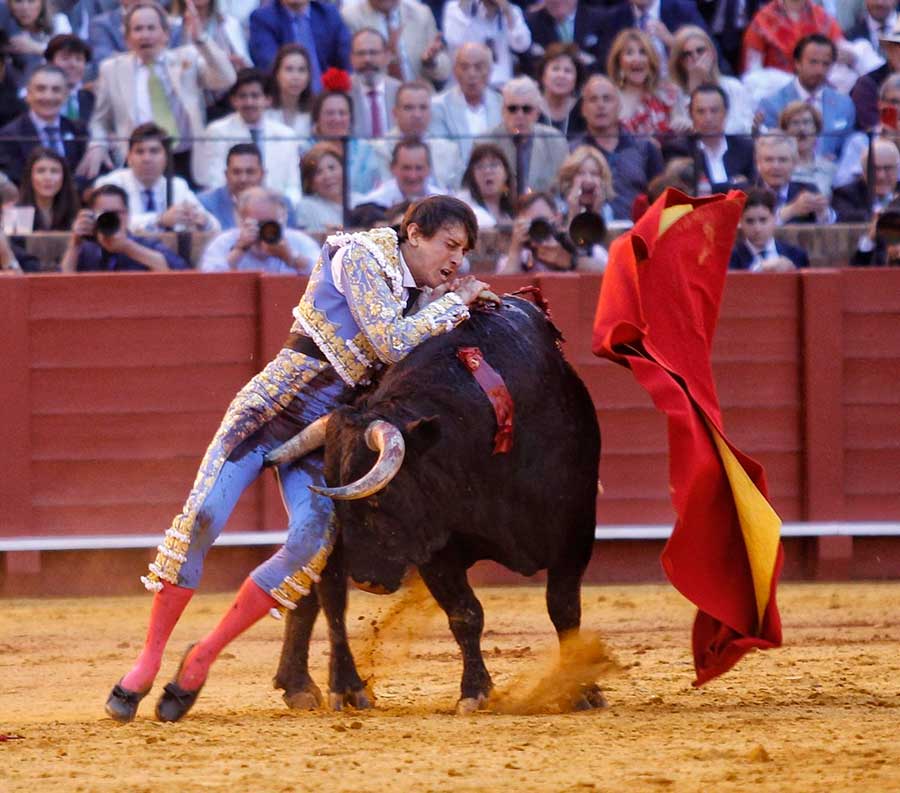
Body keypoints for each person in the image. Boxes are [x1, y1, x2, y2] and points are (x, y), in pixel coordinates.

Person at [104, 194, 489, 724]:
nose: (457, 261)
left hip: (321, 436)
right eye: (450, 245)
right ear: (415, 233)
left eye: (464, 252)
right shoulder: (359, 255)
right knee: (202, 519)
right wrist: (454, 304)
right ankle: (147, 661)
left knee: (309, 544)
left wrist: (448, 304)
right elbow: (388, 342)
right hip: (265, 413)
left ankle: (203, 656)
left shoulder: (419, 294)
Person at [83, 1, 237, 182]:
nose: (145, 35)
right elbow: (100, 120)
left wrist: (201, 39)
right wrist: (97, 144)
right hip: (139, 160)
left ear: (166, 34)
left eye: (151, 28)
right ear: (127, 38)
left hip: (185, 158)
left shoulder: (187, 58)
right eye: (138, 29)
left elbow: (227, 78)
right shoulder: (112, 69)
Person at [193, 68, 301, 204]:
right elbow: (214, 181)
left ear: (267, 100)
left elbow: (293, 186)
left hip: (276, 207)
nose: (249, 102)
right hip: (230, 207)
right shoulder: (217, 132)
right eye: (243, 96)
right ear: (233, 100)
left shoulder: (286, 134)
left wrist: (282, 209)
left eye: (255, 96)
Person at [94, 122, 220, 234]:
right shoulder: (110, 184)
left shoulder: (178, 186)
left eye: (154, 151)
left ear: (167, 157)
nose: (147, 158)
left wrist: (203, 221)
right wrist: (159, 220)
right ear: (129, 157)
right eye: (140, 152)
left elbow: (215, 227)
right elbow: (105, 222)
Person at [570, 73, 663, 222]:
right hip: (589, 229)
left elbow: (660, 199)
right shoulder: (572, 150)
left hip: (637, 230)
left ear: (619, 106)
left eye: (607, 99)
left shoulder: (646, 147)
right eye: (593, 99)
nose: (600, 105)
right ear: (583, 109)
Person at [758, 34, 856, 161]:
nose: (819, 70)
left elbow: (848, 151)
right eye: (813, 62)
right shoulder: (772, 105)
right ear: (797, 63)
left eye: (826, 64)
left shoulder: (844, 105)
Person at [60, 183, 188, 272]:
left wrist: (127, 247)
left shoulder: (148, 245)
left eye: (116, 213)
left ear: (127, 214)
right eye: (104, 213)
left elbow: (177, 274)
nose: (111, 218)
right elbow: (63, 283)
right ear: (93, 216)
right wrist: (75, 244)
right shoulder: (85, 249)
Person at [0, 65, 88, 187]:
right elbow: (15, 180)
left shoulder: (78, 130)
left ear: (66, 95)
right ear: (28, 94)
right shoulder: (9, 136)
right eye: (41, 89)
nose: (48, 96)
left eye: (56, 90)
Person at [199, 186, 319, 273]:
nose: (264, 231)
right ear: (241, 221)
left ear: (283, 218)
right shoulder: (225, 242)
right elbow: (208, 279)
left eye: (270, 224)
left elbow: (324, 277)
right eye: (257, 224)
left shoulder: (299, 241)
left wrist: (292, 258)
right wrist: (238, 250)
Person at [370, 81, 464, 191]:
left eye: (423, 108)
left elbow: (458, 192)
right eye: (409, 108)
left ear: (430, 112)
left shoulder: (450, 150)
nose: (417, 115)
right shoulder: (378, 149)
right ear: (395, 113)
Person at [664, 83, 756, 194]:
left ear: (726, 112)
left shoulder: (744, 148)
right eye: (701, 111)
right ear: (691, 115)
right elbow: (691, 191)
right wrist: (733, 184)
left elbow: (753, 188)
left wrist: (710, 188)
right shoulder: (679, 149)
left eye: (714, 111)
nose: (708, 118)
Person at [485, 75, 568, 195]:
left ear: (537, 112)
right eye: (512, 109)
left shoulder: (555, 141)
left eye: (527, 109)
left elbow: (565, 186)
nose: (520, 115)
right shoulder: (485, 142)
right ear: (503, 111)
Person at [668, 25, 754, 136]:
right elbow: (686, 129)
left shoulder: (733, 86)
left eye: (700, 51)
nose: (695, 57)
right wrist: (693, 88)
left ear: (712, 53)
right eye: (687, 54)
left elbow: (745, 125)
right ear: (680, 62)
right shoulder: (674, 94)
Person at [341, 0, 450, 87]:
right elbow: (354, 68)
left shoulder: (421, 13)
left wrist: (431, 62)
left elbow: (445, 70)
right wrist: (390, 56)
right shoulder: (350, 17)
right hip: (376, 96)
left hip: (420, 95)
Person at [605, 28, 687, 141]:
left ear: (651, 60)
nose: (637, 59)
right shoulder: (608, 97)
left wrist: (682, 123)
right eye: (629, 53)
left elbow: (684, 126)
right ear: (619, 62)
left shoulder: (670, 93)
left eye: (643, 52)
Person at [429, 42, 503, 167]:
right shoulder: (437, 107)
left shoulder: (502, 104)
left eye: (478, 67)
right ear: (454, 71)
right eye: (464, 67)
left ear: (490, 71)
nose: (471, 74)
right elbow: (441, 155)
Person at [496, 190, 597, 273]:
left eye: (543, 221)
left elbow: (601, 270)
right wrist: (515, 249)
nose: (538, 228)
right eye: (532, 224)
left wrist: (570, 261)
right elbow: (504, 286)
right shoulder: (521, 256)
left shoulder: (571, 245)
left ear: (558, 219)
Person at [249, 0, 351, 80]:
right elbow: (269, 63)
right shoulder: (263, 18)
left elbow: (347, 57)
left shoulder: (328, 14)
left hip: (328, 93)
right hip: (286, 93)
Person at [442, 0, 531, 89]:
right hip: (466, 85)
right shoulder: (455, 9)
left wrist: (508, 13)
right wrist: (467, 10)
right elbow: (454, 40)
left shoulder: (512, 11)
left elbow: (522, 45)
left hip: (501, 85)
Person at [742, 0, 845, 74]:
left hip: (818, 86)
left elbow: (842, 50)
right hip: (776, 88)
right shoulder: (762, 20)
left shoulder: (823, 18)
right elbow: (752, 71)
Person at [310, 89, 380, 196]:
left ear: (350, 118)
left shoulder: (365, 149)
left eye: (342, 113)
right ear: (317, 118)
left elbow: (372, 190)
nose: (337, 119)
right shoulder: (305, 150)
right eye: (330, 113)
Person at [755, 132, 833, 223]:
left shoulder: (808, 189)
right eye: (769, 160)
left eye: (783, 160)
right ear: (758, 163)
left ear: (795, 163)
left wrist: (823, 213)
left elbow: (832, 224)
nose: (776, 166)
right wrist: (792, 210)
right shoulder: (744, 192)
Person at [729, 187, 809, 272]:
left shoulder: (796, 255)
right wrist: (759, 269)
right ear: (740, 221)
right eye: (750, 221)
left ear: (774, 219)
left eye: (763, 220)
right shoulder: (730, 259)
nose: (757, 229)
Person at [524, 0, 607, 74]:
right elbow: (528, 62)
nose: (557, 1)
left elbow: (606, 60)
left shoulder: (600, 19)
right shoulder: (529, 23)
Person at [356, 137, 442, 208]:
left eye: (419, 168)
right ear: (392, 168)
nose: (413, 176)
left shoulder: (442, 203)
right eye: (406, 168)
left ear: (429, 169)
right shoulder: (373, 204)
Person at [0, 0, 72, 85]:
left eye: (31, 1)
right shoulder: (7, 28)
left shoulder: (58, 21)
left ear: (42, 3)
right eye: (18, 1)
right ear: (9, 4)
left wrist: (35, 48)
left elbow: (68, 55)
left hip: (54, 84)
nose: (25, 8)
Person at [198, 142, 265, 229]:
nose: (243, 179)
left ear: (262, 174)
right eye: (236, 172)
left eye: (250, 172)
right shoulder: (204, 204)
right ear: (226, 174)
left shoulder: (278, 205)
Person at [831, 138, 900, 222]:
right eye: (874, 169)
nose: (881, 176)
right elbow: (848, 218)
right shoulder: (844, 195)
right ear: (863, 172)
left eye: (888, 168)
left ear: (897, 169)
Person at [348, 28, 399, 141]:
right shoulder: (342, 93)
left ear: (387, 56)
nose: (367, 59)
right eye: (361, 53)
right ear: (351, 58)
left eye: (373, 53)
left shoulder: (400, 92)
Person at [778, 100, 836, 197]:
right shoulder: (777, 167)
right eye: (795, 123)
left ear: (816, 129)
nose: (802, 128)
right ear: (785, 130)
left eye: (807, 122)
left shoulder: (830, 168)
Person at [16, 146, 80, 231]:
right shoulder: (16, 214)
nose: (48, 177)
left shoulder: (75, 214)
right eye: (41, 171)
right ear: (30, 176)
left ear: (64, 177)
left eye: (54, 171)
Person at [455, 142, 514, 229]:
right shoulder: (462, 204)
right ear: (472, 176)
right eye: (479, 166)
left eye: (494, 165)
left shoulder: (514, 207)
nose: (487, 171)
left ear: (506, 173)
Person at [557, 145, 615, 232]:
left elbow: (598, 239)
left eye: (594, 174)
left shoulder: (606, 210)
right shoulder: (559, 208)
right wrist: (573, 213)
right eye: (581, 173)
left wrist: (596, 212)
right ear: (570, 178)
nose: (588, 180)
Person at [536, 42, 586, 139]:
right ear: (543, 75)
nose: (561, 75)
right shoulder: (529, 108)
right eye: (555, 69)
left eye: (567, 71)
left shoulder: (584, 109)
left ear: (576, 78)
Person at [265, 44, 315, 139]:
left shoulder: (315, 112)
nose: (296, 77)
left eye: (301, 70)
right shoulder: (264, 109)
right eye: (289, 69)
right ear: (277, 74)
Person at [44, 34, 95, 125]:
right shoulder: (37, 100)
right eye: (65, 58)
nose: (73, 64)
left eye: (79, 59)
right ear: (50, 63)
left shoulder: (92, 100)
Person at [294, 142, 344, 232]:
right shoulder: (306, 207)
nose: (328, 176)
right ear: (310, 182)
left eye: (332, 168)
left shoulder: (361, 202)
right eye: (318, 172)